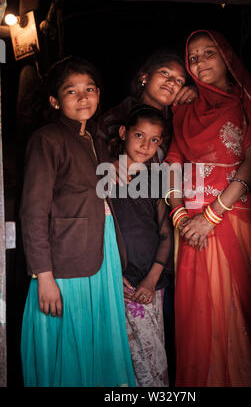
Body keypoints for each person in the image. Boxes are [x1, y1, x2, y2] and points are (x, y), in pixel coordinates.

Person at [19, 56, 136, 387]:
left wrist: (111, 167)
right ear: (55, 101)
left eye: (90, 89)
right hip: (66, 260)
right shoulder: (47, 140)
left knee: (99, 335)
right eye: (72, 91)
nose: (83, 97)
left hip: (103, 251)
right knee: (70, 338)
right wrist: (43, 275)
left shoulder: (95, 139)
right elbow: (33, 210)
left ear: (99, 94)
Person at [165, 30, 251, 387]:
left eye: (209, 53)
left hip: (230, 221)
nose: (200, 62)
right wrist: (180, 215)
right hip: (189, 228)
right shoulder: (184, 109)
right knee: (199, 322)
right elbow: (173, 161)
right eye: (193, 58)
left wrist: (211, 216)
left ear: (227, 57)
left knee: (234, 317)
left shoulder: (247, 100)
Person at [108, 105, 173, 387]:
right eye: (139, 135)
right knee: (120, 358)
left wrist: (151, 279)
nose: (146, 145)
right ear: (123, 133)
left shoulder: (156, 180)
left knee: (152, 357)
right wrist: (110, 272)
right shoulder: (104, 176)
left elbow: (165, 233)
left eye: (155, 140)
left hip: (149, 281)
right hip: (114, 280)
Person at [98, 52, 196, 162]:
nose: (172, 82)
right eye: (165, 73)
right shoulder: (112, 119)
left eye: (179, 81)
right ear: (145, 77)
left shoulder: (179, 121)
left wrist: (200, 95)